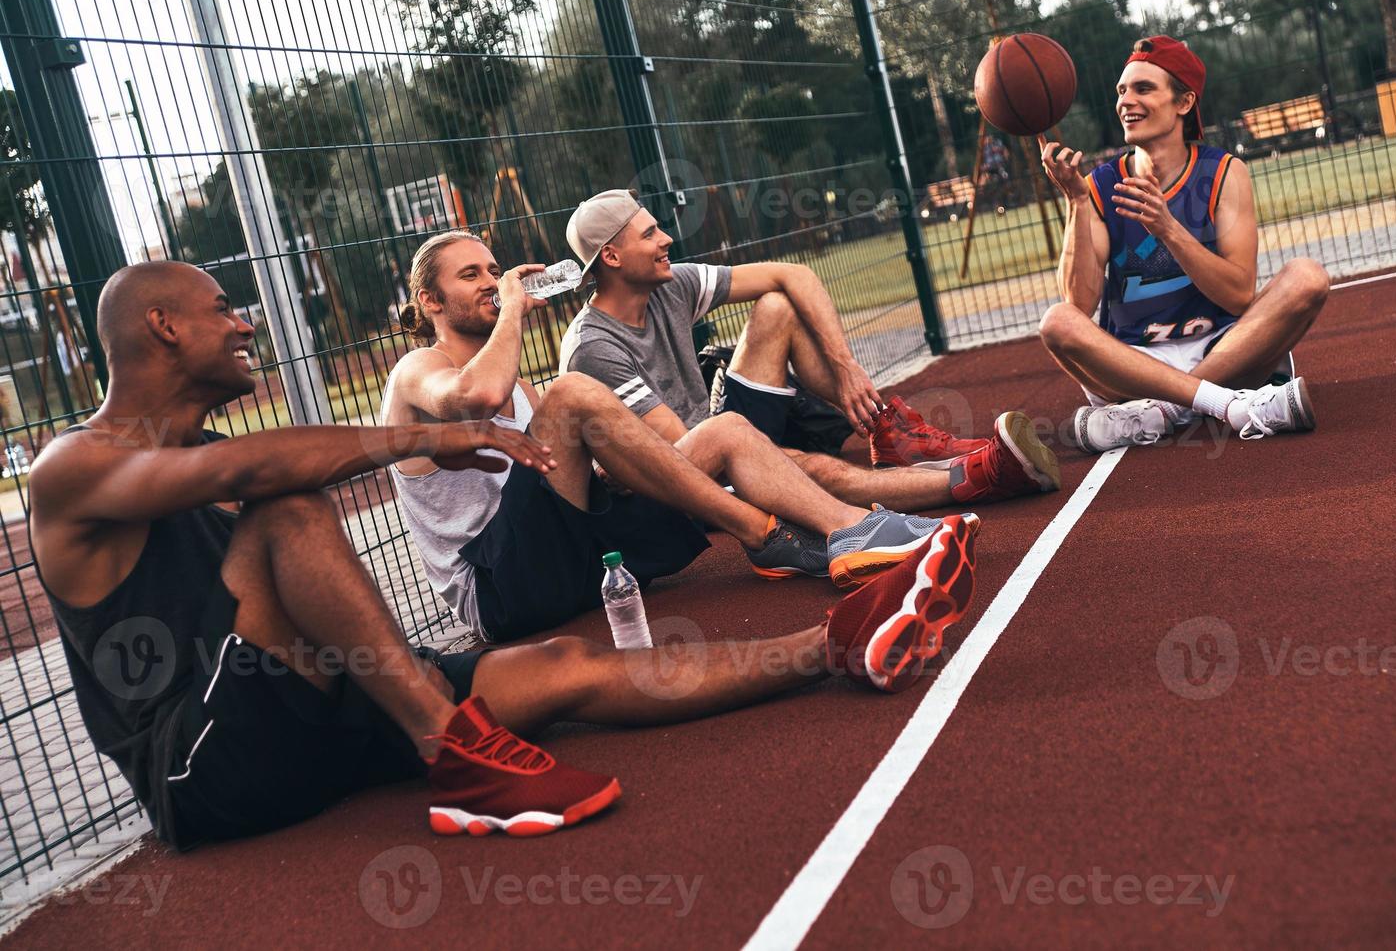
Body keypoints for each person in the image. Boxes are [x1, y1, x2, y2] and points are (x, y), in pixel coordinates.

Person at [27, 261, 981, 847]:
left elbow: (263, 473)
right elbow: (278, 465)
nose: (246, 322)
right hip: (204, 763)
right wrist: (422, 439)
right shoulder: (74, 469)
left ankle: (829, 645)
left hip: (300, 705)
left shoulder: (191, 453)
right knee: (288, 513)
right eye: (223, 307)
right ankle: (453, 750)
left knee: (560, 667)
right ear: (162, 327)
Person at [382, 232, 958, 639]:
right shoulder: (415, 373)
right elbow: (472, 396)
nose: (491, 282)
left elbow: (552, 483)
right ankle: (766, 533)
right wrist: (512, 309)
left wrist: (614, 467)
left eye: (493, 270)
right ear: (430, 302)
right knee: (572, 390)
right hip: (500, 588)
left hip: (578, 561)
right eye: (471, 275)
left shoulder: (525, 393)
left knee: (723, 430)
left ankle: (850, 529)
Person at [556, 189, 1060, 509]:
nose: (667, 238)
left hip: (714, 429)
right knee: (813, 471)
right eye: (650, 234)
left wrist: (845, 372)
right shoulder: (593, 348)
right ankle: (981, 476)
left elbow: (792, 275)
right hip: (683, 477)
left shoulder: (669, 285)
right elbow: (683, 453)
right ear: (613, 256)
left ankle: (886, 430)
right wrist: (771, 459)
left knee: (778, 305)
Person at [1038, 36, 1329, 453]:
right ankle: (1230, 404)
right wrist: (1077, 202)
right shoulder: (1100, 185)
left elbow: (1237, 294)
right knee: (1056, 322)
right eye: (1122, 90)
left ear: (1184, 102)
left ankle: (1164, 413)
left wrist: (1169, 228)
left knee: (1307, 277)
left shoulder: (1223, 173)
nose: (1126, 101)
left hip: (1222, 347)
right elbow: (1079, 304)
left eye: (1143, 88)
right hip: (1134, 367)